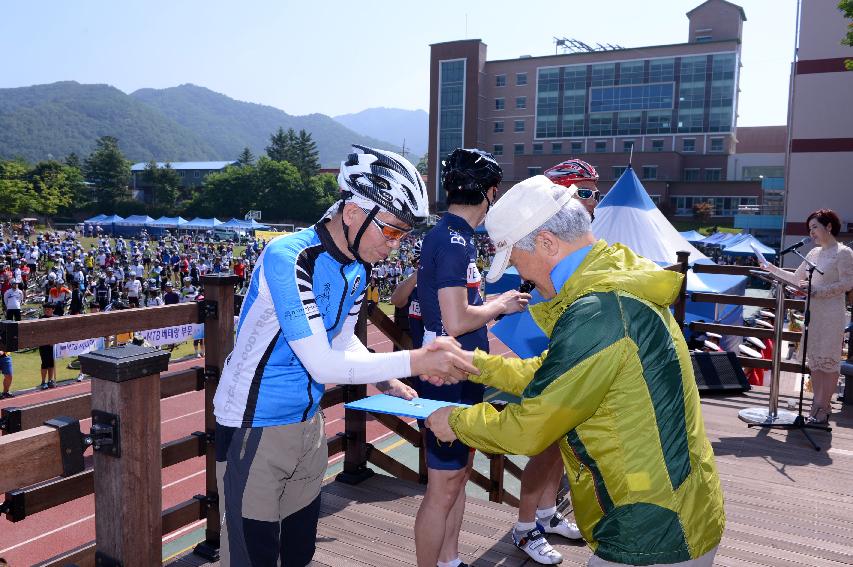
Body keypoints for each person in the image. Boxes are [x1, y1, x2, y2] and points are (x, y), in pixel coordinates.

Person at [426, 175, 725, 567]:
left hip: (648, 524)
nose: (523, 277)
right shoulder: (614, 278)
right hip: (669, 503)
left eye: (516, 261)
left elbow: (530, 426)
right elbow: (560, 373)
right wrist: (475, 364)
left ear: (547, 243)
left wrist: (456, 421)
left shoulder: (598, 312)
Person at [212, 144, 478, 567]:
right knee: (252, 555)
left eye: (404, 236)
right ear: (353, 212)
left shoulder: (357, 266)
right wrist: (416, 361)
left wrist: (388, 380)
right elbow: (321, 362)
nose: (395, 246)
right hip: (254, 424)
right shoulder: (290, 256)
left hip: (307, 421)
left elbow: (342, 342)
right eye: (390, 231)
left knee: (298, 550)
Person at [416, 148, 570, 567]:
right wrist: (500, 305)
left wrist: (495, 302)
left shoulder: (453, 235)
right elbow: (457, 319)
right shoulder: (453, 241)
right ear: (489, 193)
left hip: (460, 368)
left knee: (458, 477)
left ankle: (449, 559)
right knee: (443, 485)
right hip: (448, 371)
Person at [759, 209, 853, 423]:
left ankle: (823, 408)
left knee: (829, 362)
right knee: (816, 361)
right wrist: (770, 268)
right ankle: (816, 407)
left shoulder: (843, 252)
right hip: (814, 312)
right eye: (809, 229)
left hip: (831, 313)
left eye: (815, 227)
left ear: (829, 227)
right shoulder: (813, 253)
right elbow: (795, 278)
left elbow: (848, 283)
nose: (811, 233)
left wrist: (817, 291)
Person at [39, 303, 57, 389]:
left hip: (53, 345)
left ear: (53, 309)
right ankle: (43, 381)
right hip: (43, 345)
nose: (46, 311)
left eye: (49, 309)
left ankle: (50, 380)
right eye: (45, 309)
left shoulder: (56, 318)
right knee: (45, 363)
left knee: (52, 363)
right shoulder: (41, 319)